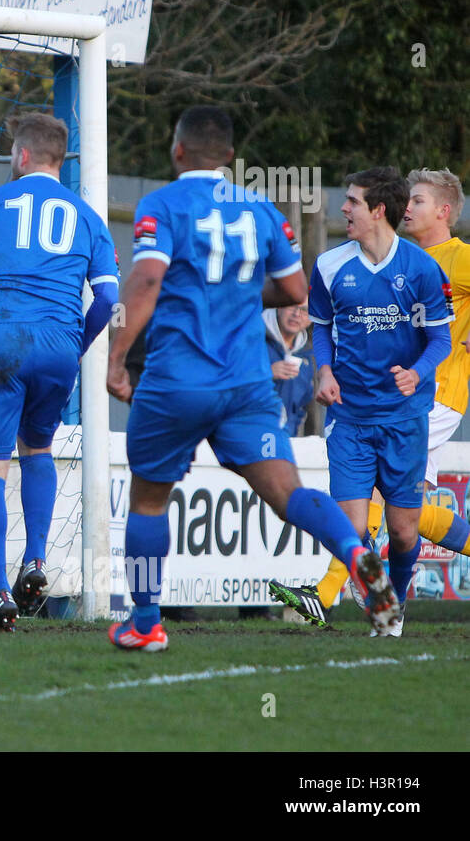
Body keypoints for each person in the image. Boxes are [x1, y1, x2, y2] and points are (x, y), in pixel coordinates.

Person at [106, 107, 398, 651]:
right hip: (245, 384)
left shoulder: (161, 204)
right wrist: (236, 291)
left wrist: (116, 356)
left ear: (177, 151)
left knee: (148, 501)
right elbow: (295, 290)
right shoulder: (261, 209)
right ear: (230, 157)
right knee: (289, 492)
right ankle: (357, 554)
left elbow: (146, 280)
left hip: (177, 380)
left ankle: (145, 622)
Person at [272, 168, 470, 629]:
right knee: (405, 518)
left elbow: (439, 336)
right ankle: (368, 603)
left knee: (384, 506)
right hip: (366, 406)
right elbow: (324, 324)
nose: (409, 208)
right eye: (408, 199)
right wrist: (326, 369)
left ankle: (328, 594)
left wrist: (421, 369)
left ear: (443, 211)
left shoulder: (454, 258)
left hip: (433, 397)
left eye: (418, 201)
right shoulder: (351, 262)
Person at [0, 111, 119, 631]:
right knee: (38, 448)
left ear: (21, 155)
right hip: (59, 346)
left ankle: (1, 592)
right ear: (58, 159)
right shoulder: (87, 215)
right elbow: (107, 297)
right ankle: (37, 558)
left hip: (0, 337)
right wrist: (75, 345)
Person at [263, 301, 313, 435]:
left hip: (285, 439)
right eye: (291, 306)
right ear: (279, 306)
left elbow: (302, 407)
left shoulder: (307, 355)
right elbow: (227, 383)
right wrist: (266, 373)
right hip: (250, 436)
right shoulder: (251, 337)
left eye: (304, 310)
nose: (297, 314)